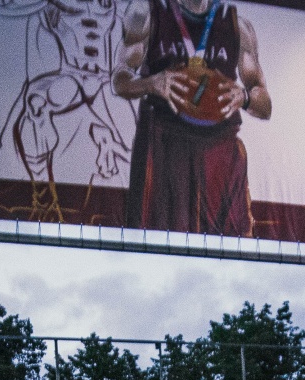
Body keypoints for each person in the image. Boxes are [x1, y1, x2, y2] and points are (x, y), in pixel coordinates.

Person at [114, 0, 271, 238]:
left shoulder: (236, 25)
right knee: (157, 244)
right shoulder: (147, 13)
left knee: (229, 248)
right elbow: (120, 80)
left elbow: (265, 106)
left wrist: (245, 97)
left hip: (218, 152)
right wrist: (151, 83)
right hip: (166, 145)